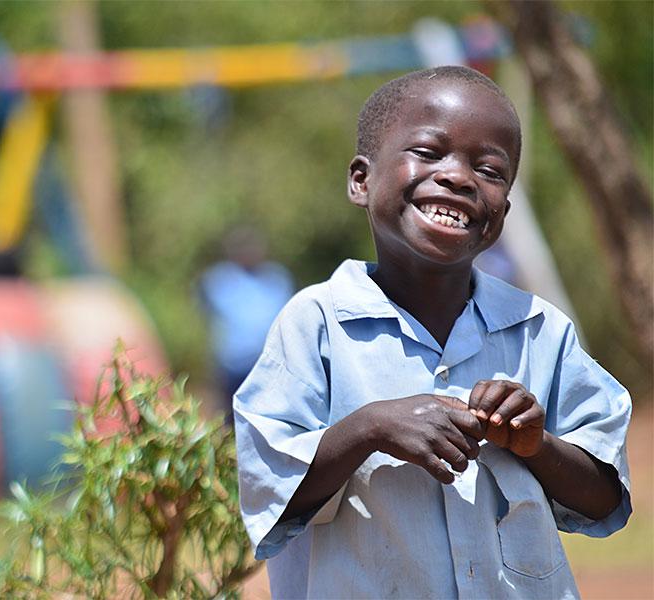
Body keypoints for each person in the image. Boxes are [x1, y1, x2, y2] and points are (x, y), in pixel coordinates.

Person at [234, 66, 631, 599]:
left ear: (503, 212)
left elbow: (605, 496)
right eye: (428, 152)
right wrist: (370, 428)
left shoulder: (538, 331)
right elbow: (269, 493)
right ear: (361, 180)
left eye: (489, 170)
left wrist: (537, 447)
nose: (459, 177)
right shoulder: (317, 325)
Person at [199, 225, 294, 419]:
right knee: (230, 420)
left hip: (268, 365)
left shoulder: (276, 278)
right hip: (232, 368)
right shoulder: (219, 280)